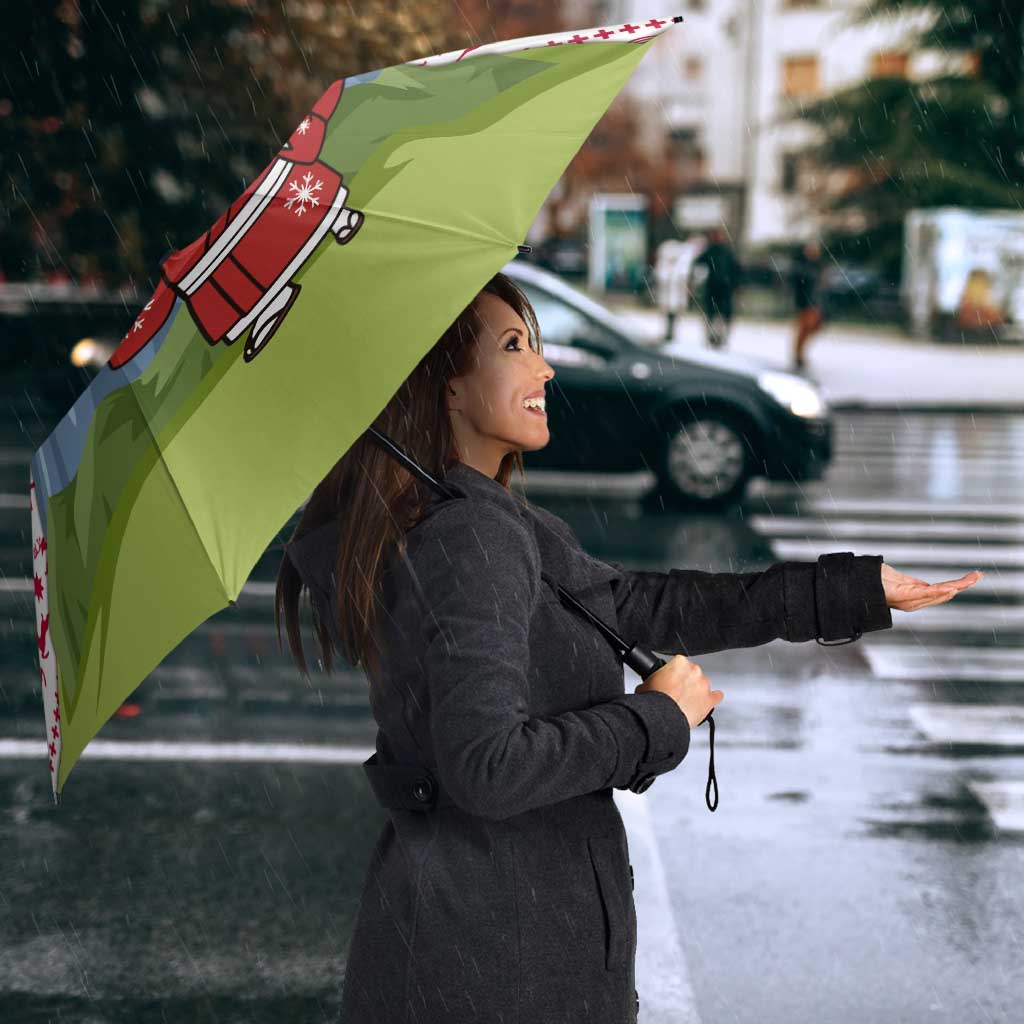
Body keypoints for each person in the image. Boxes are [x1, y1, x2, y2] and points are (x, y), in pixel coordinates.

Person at [275, 272, 973, 1024]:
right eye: (515, 346)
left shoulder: (476, 518)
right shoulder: (469, 537)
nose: (544, 368)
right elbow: (488, 767)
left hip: (478, 945)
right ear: (446, 387)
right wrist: (656, 719)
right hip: (497, 964)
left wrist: (850, 591)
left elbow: (641, 605)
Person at [692, 226, 742, 349]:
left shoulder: (725, 252)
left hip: (723, 288)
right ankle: (713, 337)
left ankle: (719, 337)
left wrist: (735, 284)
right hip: (715, 288)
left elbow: (736, 270)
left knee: (720, 315)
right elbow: (698, 264)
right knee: (713, 314)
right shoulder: (712, 251)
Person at [790, 239, 826, 370]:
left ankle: (799, 354)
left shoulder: (817, 266)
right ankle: (798, 355)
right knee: (804, 329)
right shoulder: (802, 267)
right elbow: (799, 286)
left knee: (812, 328)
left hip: (814, 303)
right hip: (805, 303)